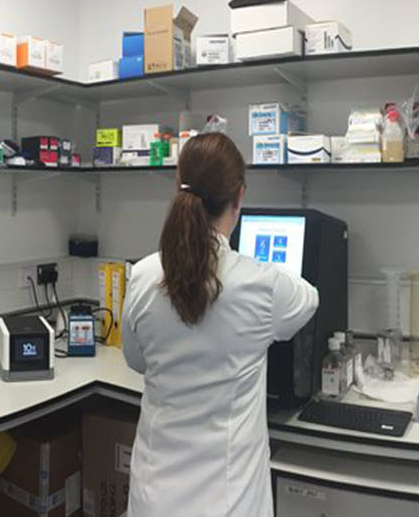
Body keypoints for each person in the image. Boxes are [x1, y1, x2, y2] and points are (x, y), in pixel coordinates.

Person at [122, 132, 319, 517]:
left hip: (154, 498)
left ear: (178, 186)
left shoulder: (143, 275)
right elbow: (310, 299)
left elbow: (136, 360)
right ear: (239, 196)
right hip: (228, 503)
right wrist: (261, 267)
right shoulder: (259, 284)